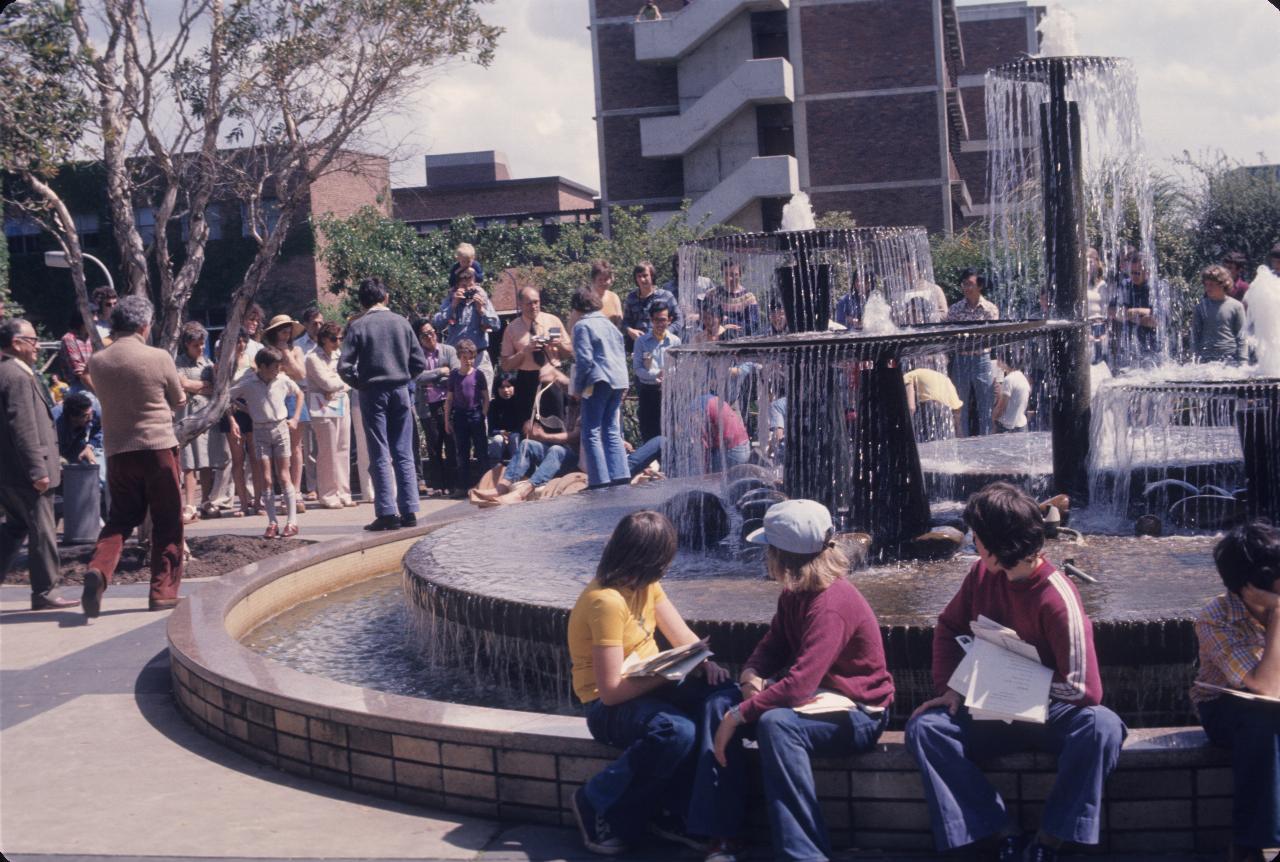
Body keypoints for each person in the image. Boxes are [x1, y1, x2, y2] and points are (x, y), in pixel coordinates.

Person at [905, 482, 1125, 862]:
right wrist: (950, 689)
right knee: (926, 729)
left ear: (996, 546)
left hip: (1047, 712)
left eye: (977, 536)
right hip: (991, 705)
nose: (973, 542)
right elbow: (949, 627)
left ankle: (1050, 840)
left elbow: (1085, 691)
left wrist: (1019, 686)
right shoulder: (980, 575)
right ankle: (997, 831)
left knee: (1101, 727)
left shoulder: (1058, 598)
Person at [691, 499, 894, 862]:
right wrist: (751, 673)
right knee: (717, 703)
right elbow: (773, 645)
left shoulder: (831, 604)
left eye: (768, 549)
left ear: (781, 556)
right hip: (819, 701)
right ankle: (722, 836)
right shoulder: (796, 593)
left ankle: (804, 854)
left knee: (776, 724)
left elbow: (799, 684)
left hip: (861, 712)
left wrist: (740, 715)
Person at [567, 510, 730, 856]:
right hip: (606, 707)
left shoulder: (646, 585)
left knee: (721, 697)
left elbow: (682, 637)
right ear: (648, 560)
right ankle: (596, 799)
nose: (668, 567)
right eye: (665, 559)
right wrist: (665, 674)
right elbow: (610, 693)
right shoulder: (606, 601)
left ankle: (680, 811)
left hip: (650, 686)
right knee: (677, 731)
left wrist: (704, 660)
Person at [83, 295, 187, 616]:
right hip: (158, 448)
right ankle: (163, 592)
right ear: (145, 324)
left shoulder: (97, 362)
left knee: (121, 519)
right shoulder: (158, 357)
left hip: (118, 452)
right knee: (167, 521)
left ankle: (99, 569)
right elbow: (179, 399)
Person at [1191, 520, 1280, 862]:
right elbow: (1264, 686)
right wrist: (1277, 617)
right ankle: (1253, 846)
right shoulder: (1215, 617)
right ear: (1251, 586)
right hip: (1224, 705)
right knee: (1264, 716)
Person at [0, 318, 77, 610]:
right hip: (27, 473)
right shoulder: (17, 376)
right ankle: (46, 592)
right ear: (17, 343)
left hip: (10, 471)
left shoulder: (10, 372)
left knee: (14, 529)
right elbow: (23, 427)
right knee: (43, 530)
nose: (37, 347)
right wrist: (37, 470)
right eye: (32, 341)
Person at [339, 278, 427, 531]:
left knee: (379, 451)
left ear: (362, 301)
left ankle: (387, 512)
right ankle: (409, 509)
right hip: (399, 390)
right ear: (385, 297)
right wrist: (403, 378)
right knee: (403, 451)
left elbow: (344, 367)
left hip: (373, 391)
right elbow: (418, 362)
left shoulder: (358, 326)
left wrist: (360, 383)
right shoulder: (402, 323)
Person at [230, 346, 303, 538]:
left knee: (284, 475)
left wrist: (295, 418)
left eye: (279, 366)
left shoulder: (283, 380)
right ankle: (272, 522)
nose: (277, 370)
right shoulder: (249, 383)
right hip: (260, 430)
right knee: (267, 478)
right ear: (262, 366)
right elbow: (227, 398)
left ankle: (292, 521)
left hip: (280, 428)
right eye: (274, 367)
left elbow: (299, 393)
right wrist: (244, 412)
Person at [571, 285, 630, 489]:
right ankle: (620, 475)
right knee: (611, 429)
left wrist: (578, 388)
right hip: (618, 380)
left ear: (578, 307)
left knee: (591, 431)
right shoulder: (609, 325)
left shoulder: (582, 326)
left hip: (598, 381)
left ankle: (599, 481)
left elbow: (585, 360)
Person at [499, 285, 570, 422]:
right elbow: (506, 365)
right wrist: (524, 352)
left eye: (536, 302)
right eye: (529, 303)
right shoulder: (512, 329)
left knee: (557, 422)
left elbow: (569, 353)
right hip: (527, 379)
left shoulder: (553, 321)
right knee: (528, 425)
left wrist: (558, 344)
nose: (534, 306)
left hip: (552, 376)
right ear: (520, 304)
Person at [304, 322, 354, 509]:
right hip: (322, 406)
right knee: (327, 451)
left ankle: (343, 492)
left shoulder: (340, 355)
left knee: (343, 448)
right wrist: (337, 383)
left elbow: (350, 378)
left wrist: (337, 383)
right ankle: (327, 494)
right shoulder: (312, 358)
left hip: (341, 402)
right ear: (323, 338)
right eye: (334, 339)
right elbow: (326, 383)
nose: (337, 343)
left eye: (340, 339)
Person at [262, 314, 309, 512]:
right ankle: (283, 491)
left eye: (288, 329)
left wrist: (286, 353)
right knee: (278, 449)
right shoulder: (266, 351)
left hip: (294, 398)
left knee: (296, 447)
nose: (286, 332)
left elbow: (300, 374)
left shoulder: (296, 349)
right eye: (282, 329)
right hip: (274, 400)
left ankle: (296, 491)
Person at [413, 320, 459, 497]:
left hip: (447, 404)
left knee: (451, 443)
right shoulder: (417, 356)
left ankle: (454, 484)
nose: (430, 337)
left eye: (432, 332)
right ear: (420, 338)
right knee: (433, 447)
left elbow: (454, 375)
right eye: (425, 335)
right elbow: (417, 377)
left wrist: (430, 378)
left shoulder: (449, 351)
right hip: (427, 407)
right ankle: (439, 485)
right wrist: (440, 372)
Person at [433, 266, 499, 387]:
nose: (465, 282)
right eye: (461, 278)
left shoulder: (482, 298)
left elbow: (496, 325)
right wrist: (453, 305)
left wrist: (481, 310)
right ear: (456, 282)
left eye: (469, 277)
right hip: (456, 359)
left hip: (479, 357)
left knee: (483, 400)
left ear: (475, 280)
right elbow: (437, 323)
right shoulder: (450, 300)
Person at [175, 322, 214, 520]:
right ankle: (190, 504)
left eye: (201, 344)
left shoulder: (207, 364)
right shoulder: (178, 362)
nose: (199, 348)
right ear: (186, 345)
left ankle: (206, 501)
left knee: (206, 461)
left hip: (204, 417)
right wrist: (200, 385)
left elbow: (213, 388)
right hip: (186, 417)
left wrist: (193, 386)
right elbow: (182, 383)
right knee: (189, 462)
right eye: (195, 345)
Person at [444, 339, 489, 495]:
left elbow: (486, 398)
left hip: (475, 414)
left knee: (482, 451)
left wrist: (482, 414)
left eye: (471, 357)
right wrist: (446, 421)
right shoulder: (454, 376)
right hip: (460, 416)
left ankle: (485, 485)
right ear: (459, 357)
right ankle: (463, 487)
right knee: (462, 453)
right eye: (464, 357)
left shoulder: (479, 375)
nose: (468, 361)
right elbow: (449, 400)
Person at [632, 302, 680, 443]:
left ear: (669, 320)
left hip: (669, 392)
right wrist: (656, 374)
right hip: (648, 391)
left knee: (669, 432)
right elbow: (638, 368)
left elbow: (680, 365)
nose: (660, 324)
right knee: (649, 432)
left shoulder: (675, 341)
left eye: (663, 320)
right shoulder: (641, 342)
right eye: (657, 320)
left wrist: (669, 374)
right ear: (651, 320)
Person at [293, 306, 325, 500]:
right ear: (306, 325)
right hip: (305, 394)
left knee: (328, 442)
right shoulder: (298, 346)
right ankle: (312, 486)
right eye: (314, 323)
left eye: (321, 322)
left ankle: (328, 483)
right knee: (310, 444)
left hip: (325, 395)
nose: (318, 326)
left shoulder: (328, 343)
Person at [1191, 264, 1248, 364]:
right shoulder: (1200, 307)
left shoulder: (1236, 306)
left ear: (1223, 284)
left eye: (1211, 284)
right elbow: (1195, 335)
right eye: (1206, 284)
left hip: (1230, 357)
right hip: (1206, 358)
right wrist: (1194, 359)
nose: (1208, 288)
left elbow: (1241, 335)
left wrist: (1243, 360)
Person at [1109, 253, 1160, 362]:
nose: (1134, 276)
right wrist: (1142, 315)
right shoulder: (1125, 285)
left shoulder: (1156, 288)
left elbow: (1155, 321)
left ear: (1147, 272)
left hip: (1152, 347)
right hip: (1128, 347)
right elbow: (1112, 311)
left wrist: (1132, 312)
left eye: (1138, 273)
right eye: (1132, 272)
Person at [623, 261, 682, 344]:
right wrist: (630, 330)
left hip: (662, 345)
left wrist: (664, 332)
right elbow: (625, 322)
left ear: (652, 276)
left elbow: (679, 320)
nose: (642, 279)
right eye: (639, 276)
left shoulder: (666, 296)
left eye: (645, 275)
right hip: (639, 346)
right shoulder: (631, 298)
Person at [904, 366, 963, 441]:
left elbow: (911, 407)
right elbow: (957, 408)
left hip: (930, 409)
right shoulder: (942, 377)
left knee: (925, 445)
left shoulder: (908, 376)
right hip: (947, 412)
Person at [52, 390, 104, 471]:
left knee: (88, 465)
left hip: (77, 441)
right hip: (56, 448)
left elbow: (98, 430)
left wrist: (89, 447)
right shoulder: (53, 421)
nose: (90, 418)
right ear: (72, 417)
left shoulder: (95, 412)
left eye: (91, 413)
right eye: (85, 416)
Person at [698, 394, 750, 472]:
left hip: (733, 451)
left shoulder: (696, 409)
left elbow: (704, 445)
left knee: (712, 474)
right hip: (745, 446)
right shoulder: (714, 399)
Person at [569, 260, 625, 332]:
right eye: (600, 279)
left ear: (611, 279)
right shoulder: (585, 298)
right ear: (593, 280)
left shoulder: (614, 297)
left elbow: (620, 323)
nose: (603, 282)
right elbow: (572, 327)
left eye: (606, 279)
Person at [708, 260, 759, 337]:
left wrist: (726, 320)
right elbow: (703, 320)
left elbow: (753, 326)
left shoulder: (749, 298)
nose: (730, 278)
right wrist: (723, 328)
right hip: (715, 341)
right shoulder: (712, 294)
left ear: (740, 274)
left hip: (741, 341)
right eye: (726, 274)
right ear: (722, 274)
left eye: (734, 274)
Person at [487, 371, 524, 464]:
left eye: (509, 386)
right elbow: (491, 429)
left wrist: (510, 435)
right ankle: (494, 468)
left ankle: (517, 468)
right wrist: (501, 433)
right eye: (502, 387)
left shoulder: (520, 404)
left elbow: (521, 426)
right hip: (500, 439)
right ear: (497, 389)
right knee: (497, 439)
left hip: (515, 438)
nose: (506, 390)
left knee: (515, 437)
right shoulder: (493, 405)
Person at [992, 351, 1031, 434]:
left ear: (1004, 361)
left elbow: (1001, 407)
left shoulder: (1008, 380)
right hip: (1022, 425)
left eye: (999, 359)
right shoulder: (1023, 378)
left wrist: (992, 419)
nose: (997, 362)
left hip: (1007, 427)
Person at [58, 309, 96, 393]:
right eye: (92, 317)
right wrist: (94, 367)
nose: (96, 319)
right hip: (81, 387)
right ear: (82, 319)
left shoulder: (93, 338)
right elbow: (79, 371)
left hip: (97, 382)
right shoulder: (69, 338)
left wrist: (88, 367)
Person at [1085, 248, 1110, 364]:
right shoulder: (1079, 284)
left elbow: (1106, 308)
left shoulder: (1102, 284)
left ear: (1096, 262)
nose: (1088, 266)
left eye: (1090, 262)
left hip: (1100, 325)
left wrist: (1106, 331)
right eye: (1085, 262)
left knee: (1101, 360)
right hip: (1085, 325)